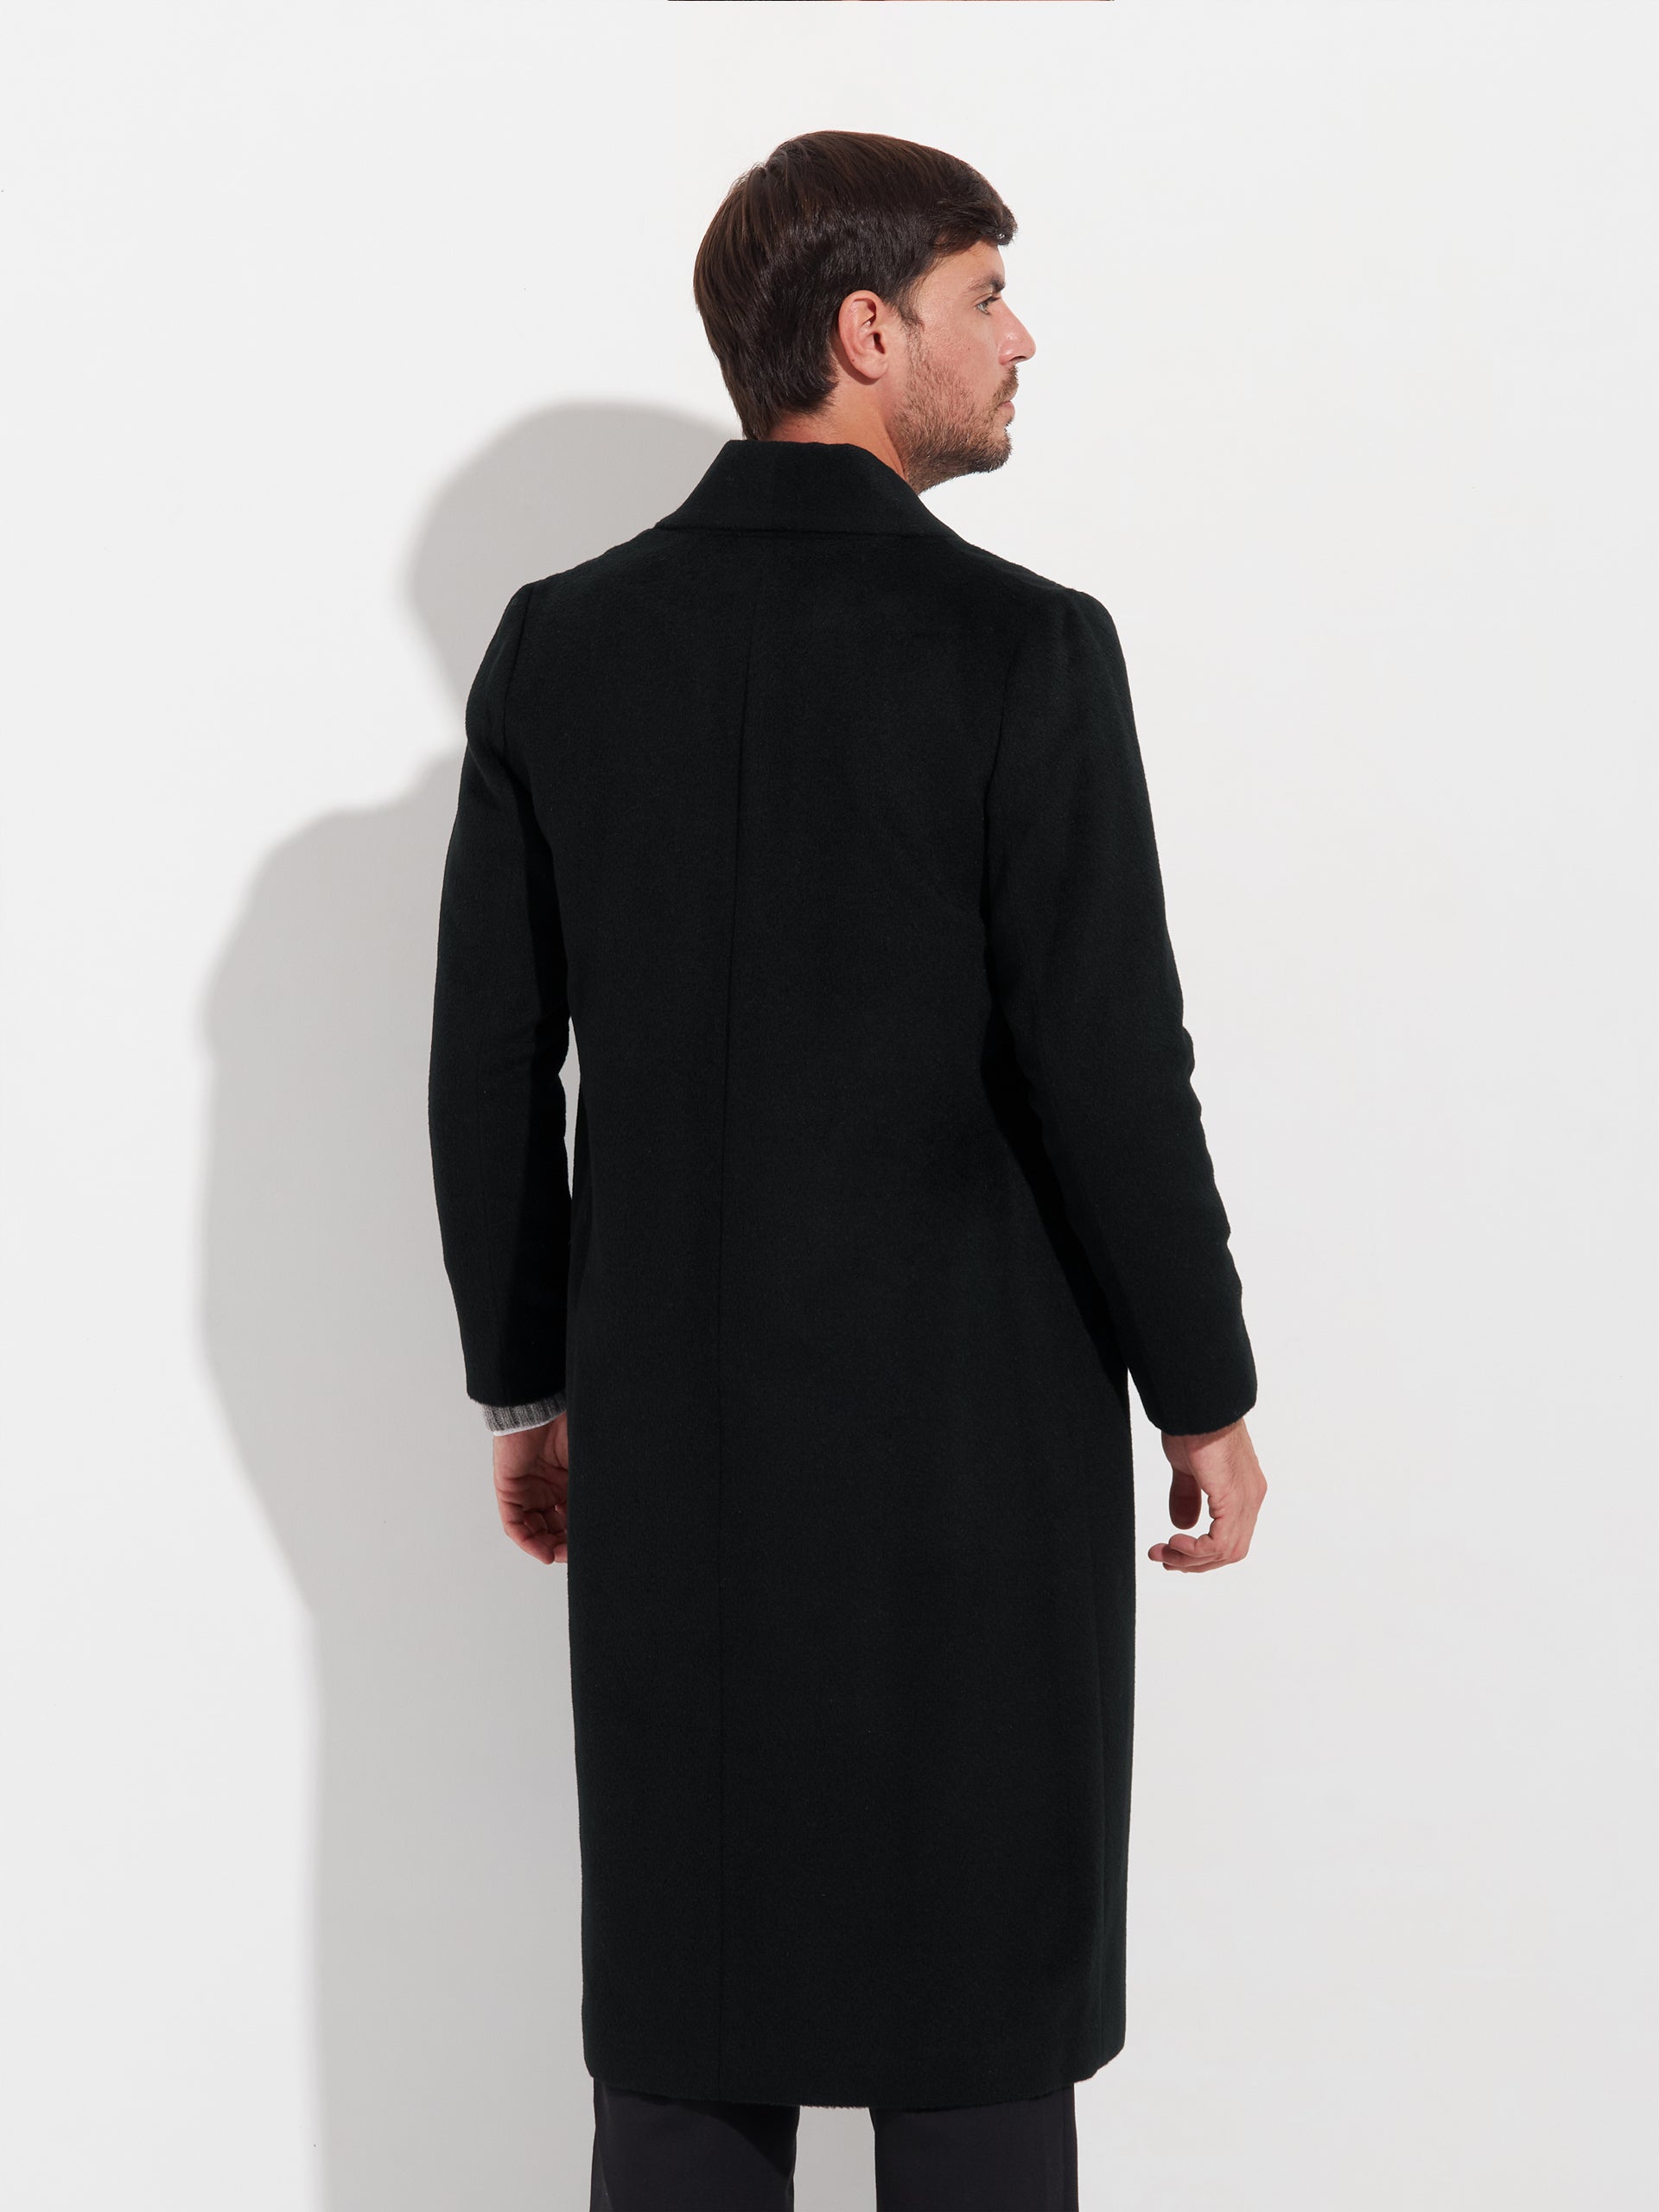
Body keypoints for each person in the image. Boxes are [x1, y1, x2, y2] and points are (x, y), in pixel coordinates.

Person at [428, 129, 1268, 2212]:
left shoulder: (558, 647)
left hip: (679, 1458)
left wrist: (532, 1387)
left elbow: (487, 1067)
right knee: (972, 2043)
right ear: (868, 330)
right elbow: (1109, 1065)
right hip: (970, 1471)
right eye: (990, 295)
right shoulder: (1024, 648)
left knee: (689, 2046)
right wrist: (1205, 1389)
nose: (1023, 337)